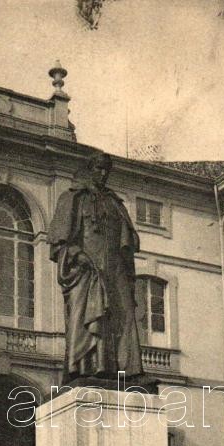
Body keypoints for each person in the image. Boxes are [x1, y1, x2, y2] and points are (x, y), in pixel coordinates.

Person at [47, 152, 143, 382]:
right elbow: (59, 242)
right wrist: (75, 254)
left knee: (125, 314)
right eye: (99, 168)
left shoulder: (114, 202)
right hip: (87, 268)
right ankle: (86, 368)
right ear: (90, 169)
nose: (103, 174)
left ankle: (129, 372)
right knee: (87, 317)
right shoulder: (73, 198)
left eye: (106, 170)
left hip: (115, 268)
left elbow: (126, 240)